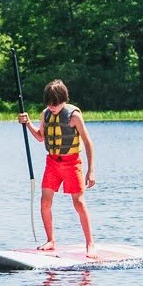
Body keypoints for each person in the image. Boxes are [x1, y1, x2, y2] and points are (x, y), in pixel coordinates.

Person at [19, 79, 95, 254]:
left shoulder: (74, 115)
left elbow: (88, 142)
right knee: (45, 201)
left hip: (72, 163)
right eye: (49, 104)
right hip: (52, 163)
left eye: (55, 104)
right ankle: (50, 240)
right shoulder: (45, 114)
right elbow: (40, 137)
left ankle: (90, 244)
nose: (52, 107)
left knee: (78, 202)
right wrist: (27, 123)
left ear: (64, 100)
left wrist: (91, 171)